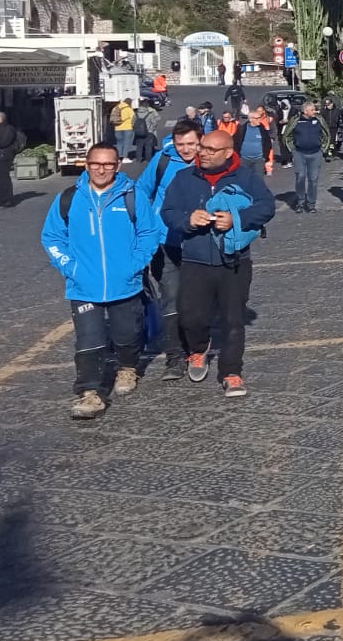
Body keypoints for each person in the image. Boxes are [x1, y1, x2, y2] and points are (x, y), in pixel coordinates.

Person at [41, 141, 162, 420]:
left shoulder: (132, 196)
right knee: (89, 340)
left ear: (117, 166)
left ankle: (128, 367)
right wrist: (69, 266)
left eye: (108, 164)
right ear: (87, 165)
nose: (102, 169)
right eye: (96, 163)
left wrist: (135, 264)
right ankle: (89, 393)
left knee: (127, 335)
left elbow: (149, 233)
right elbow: (52, 237)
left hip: (126, 283)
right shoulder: (69, 198)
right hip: (83, 286)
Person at [160, 127, 277, 398]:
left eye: (211, 150)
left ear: (228, 153)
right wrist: (188, 220)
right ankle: (198, 350)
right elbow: (169, 212)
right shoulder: (183, 178)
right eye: (202, 147)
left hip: (234, 261)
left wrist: (236, 218)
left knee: (233, 319)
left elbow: (266, 207)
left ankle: (231, 372)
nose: (202, 153)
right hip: (194, 260)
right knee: (190, 316)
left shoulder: (246, 177)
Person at [138, 119, 202, 379]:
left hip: (200, 242)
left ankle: (196, 348)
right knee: (171, 297)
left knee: (197, 298)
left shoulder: (208, 161)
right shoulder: (163, 160)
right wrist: (148, 226)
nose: (186, 150)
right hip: (165, 241)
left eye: (191, 144)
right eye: (181, 144)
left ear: (201, 141)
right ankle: (175, 356)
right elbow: (142, 190)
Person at [284, 101, 328, 213]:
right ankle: (300, 202)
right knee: (300, 177)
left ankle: (311, 203)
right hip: (299, 153)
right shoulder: (296, 120)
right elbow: (287, 136)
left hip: (315, 153)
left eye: (315, 109)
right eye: (312, 110)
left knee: (313, 180)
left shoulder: (319, 120)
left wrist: (322, 149)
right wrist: (292, 150)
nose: (315, 111)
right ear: (305, 111)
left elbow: (326, 134)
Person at [238, 108, 275, 177]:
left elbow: (268, 144)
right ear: (251, 119)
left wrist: (264, 157)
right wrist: (238, 157)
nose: (260, 120)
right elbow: (236, 143)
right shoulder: (241, 129)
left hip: (259, 160)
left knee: (258, 181)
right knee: (244, 180)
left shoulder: (262, 129)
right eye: (257, 118)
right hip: (244, 160)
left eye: (260, 117)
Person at [112, 96, 137, 161]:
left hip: (117, 128)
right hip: (127, 128)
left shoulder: (116, 107)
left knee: (119, 143)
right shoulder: (129, 109)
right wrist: (134, 126)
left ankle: (119, 157)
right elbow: (134, 119)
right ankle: (125, 157)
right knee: (127, 143)